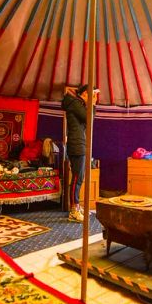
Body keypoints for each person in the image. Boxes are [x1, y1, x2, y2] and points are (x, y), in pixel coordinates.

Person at [61, 84, 98, 222]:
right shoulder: (75, 103)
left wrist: (91, 105)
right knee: (76, 178)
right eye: (92, 94)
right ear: (84, 94)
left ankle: (76, 206)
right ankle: (73, 210)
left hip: (79, 144)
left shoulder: (79, 105)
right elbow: (90, 120)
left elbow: (88, 121)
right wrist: (92, 105)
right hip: (76, 145)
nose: (94, 97)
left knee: (80, 178)